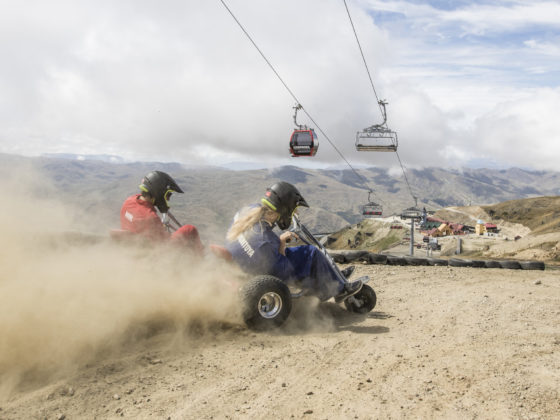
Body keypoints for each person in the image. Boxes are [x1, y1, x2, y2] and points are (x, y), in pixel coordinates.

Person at [225, 181, 362, 302]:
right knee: (311, 253)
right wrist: (282, 242)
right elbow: (283, 270)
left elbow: (264, 249)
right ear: (284, 209)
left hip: (241, 261)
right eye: (293, 210)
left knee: (300, 255)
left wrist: (278, 242)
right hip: (260, 272)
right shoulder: (266, 240)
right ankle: (338, 290)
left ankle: (330, 274)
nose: (295, 214)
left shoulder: (247, 211)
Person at [120, 170, 203, 255]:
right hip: (153, 254)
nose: (168, 199)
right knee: (190, 229)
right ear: (159, 192)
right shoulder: (151, 217)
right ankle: (201, 262)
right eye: (168, 195)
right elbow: (165, 244)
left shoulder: (128, 201)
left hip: (134, 246)